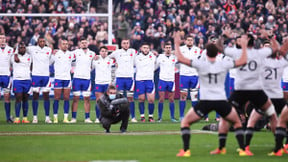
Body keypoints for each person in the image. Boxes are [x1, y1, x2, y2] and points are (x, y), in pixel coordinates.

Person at [174, 32, 250, 157]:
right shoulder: (223, 63)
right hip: (221, 100)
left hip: (206, 101)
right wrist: (245, 46)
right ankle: (242, 149)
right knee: (237, 123)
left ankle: (186, 150)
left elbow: (181, 59)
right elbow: (243, 61)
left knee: (185, 123)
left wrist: (177, 44)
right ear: (217, 53)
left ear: (205, 53)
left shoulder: (201, 64)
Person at [224, 31, 279, 155]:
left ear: (247, 39)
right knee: (271, 116)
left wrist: (224, 36)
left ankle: (238, 147)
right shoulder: (260, 54)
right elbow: (276, 48)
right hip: (260, 91)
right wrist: (270, 37)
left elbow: (218, 47)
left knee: (230, 114)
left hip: (247, 90)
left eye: (243, 37)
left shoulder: (239, 53)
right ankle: (279, 146)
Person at [22, 36, 53, 124]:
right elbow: (21, 48)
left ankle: (47, 117)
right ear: (37, 42)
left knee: (46, 96)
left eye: (43, 41)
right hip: (36, 75)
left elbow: (50, 60)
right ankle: (35, 117)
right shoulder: (32, 49)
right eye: (40, 41)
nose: (42, 43)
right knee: (35, 96)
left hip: (46, 76)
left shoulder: (48, 50)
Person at [109, 39, 137, 122]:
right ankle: (120, 116)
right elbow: (108, 57)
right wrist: (114, 63)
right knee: (119, 98)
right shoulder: (117, 52)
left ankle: (133, 117)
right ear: (121, 44)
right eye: (124, 43)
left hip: (130, 78)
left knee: (130, 98)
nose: (126, 45)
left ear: (129, 44)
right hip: (120, 77)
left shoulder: (133, 52)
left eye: (127, 43)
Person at [70, 37, 95, 123]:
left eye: (85, 42)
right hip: (77, 78)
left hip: (87, 79)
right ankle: (73, 118)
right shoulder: (75, 52)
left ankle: (87, 118)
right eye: (82, 43)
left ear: (88, 43)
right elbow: (68, 59)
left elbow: (93, 66)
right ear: (80, 44)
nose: (84, 44)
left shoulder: (92, 53)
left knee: (87, 99)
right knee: (75, 98)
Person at [178, 35, 201, 121]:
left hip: (194, 75)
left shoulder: (198, 50)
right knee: (183, 96)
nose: (190, 41)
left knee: (194, 96)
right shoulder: (181, 49)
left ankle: (194, 116)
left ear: (193, 41)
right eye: (188, 40)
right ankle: (181, 116)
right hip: (184, 75)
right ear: (185, 41)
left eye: (191, 40)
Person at [50, 38, 73, 123]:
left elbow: (74, 63)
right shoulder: (55, 54)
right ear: (60, 45)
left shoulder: (70, 54)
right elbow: (49, 62)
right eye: (63, 44)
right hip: (58, 78)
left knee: (67, 98)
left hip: (67, 78)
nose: (65, 45)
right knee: (57, 98)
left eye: (66, 44)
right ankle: (55, 117)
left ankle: (65, 118)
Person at [134, 42, 157, 122]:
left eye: (147, 48)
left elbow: (157, 64)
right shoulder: (136, 57)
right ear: (141, 48)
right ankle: (142, 117)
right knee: (141, 99)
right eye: (144, 48)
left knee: (151, 99)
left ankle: (151, 117)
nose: (146, 49)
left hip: (150, 80)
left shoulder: (153, 56)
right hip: (140, 80)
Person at [155, 42, 178, 122]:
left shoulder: (174, 57)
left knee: (171, 99)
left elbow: (178, 66)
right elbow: (155, 66)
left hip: (171, 80)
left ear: (171, 49)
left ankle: (172, 117)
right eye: (166, 48)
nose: (168, 49)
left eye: (169, 48)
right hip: (162, 80)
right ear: (164, 48)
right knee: (161, 99)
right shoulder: (160, 57)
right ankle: (159, 117)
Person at [11, 42, 32, 123]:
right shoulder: (13, 57)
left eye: (24, 47)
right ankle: (17, 118)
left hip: (27, 80)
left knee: (25, 99)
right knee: (18, 98)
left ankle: (25, 118)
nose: (22, 49)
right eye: (21, 48)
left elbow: (32, 66)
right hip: (17, 80)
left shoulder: (29, 56)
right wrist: (16, 53)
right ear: (18, 49)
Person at [93, 46, 114, 123]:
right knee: (99, 101)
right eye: (102, 51)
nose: (104, 52)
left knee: (109, 101)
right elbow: (90, 68)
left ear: (107, 52)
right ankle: (98, 117)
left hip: (107, 83)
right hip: (98, 82)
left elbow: (115, 69)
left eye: (105, 51)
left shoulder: (111, 60)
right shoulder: (95, 60)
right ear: (99, 52)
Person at [0, 33, 13, 123]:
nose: (2, 39)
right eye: (0, 38)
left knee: (7, 97)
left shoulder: (10, 49)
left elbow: (13, 62)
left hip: (6, 76)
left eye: (4, 38)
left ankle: (8, 117)